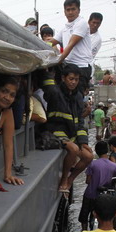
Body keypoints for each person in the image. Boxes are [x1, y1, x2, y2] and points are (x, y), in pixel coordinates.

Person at [43, 64, 92, 192]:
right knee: (73, 149)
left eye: (76, 79)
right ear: (63, 78)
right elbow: (47, 89)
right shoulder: (55, 92)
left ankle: (70, 180)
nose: (73, 82)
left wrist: (83, 141)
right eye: (71, 79)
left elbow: (80, 121)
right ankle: (64, 179)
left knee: (89, 156)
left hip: (71, 134)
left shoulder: (78, 97)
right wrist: (47, 72)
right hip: (55, 131)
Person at [49, 0, 94, 93]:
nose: (70, 12)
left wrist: (58, 60)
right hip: (69, 67)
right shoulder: (64, 28)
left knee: (77, 98)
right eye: (68, 10)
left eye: (73, 9)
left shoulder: (81, 23)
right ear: (64, 11)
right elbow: (51, 41)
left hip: (81, 67)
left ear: (79, 10)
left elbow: (70, 45)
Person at [0, 76, 25, 185]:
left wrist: (8, 174)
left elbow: (8, 145)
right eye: (4, 91)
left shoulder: (7, 113)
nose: (7, 97)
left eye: (12, 95)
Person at [78, 141, 116, 231]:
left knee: (84, 216)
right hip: (104, 196)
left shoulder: (92, 164)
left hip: (90, 194)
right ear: (107, 151)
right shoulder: (115, 166)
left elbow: (88, 181)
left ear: (96, 151)